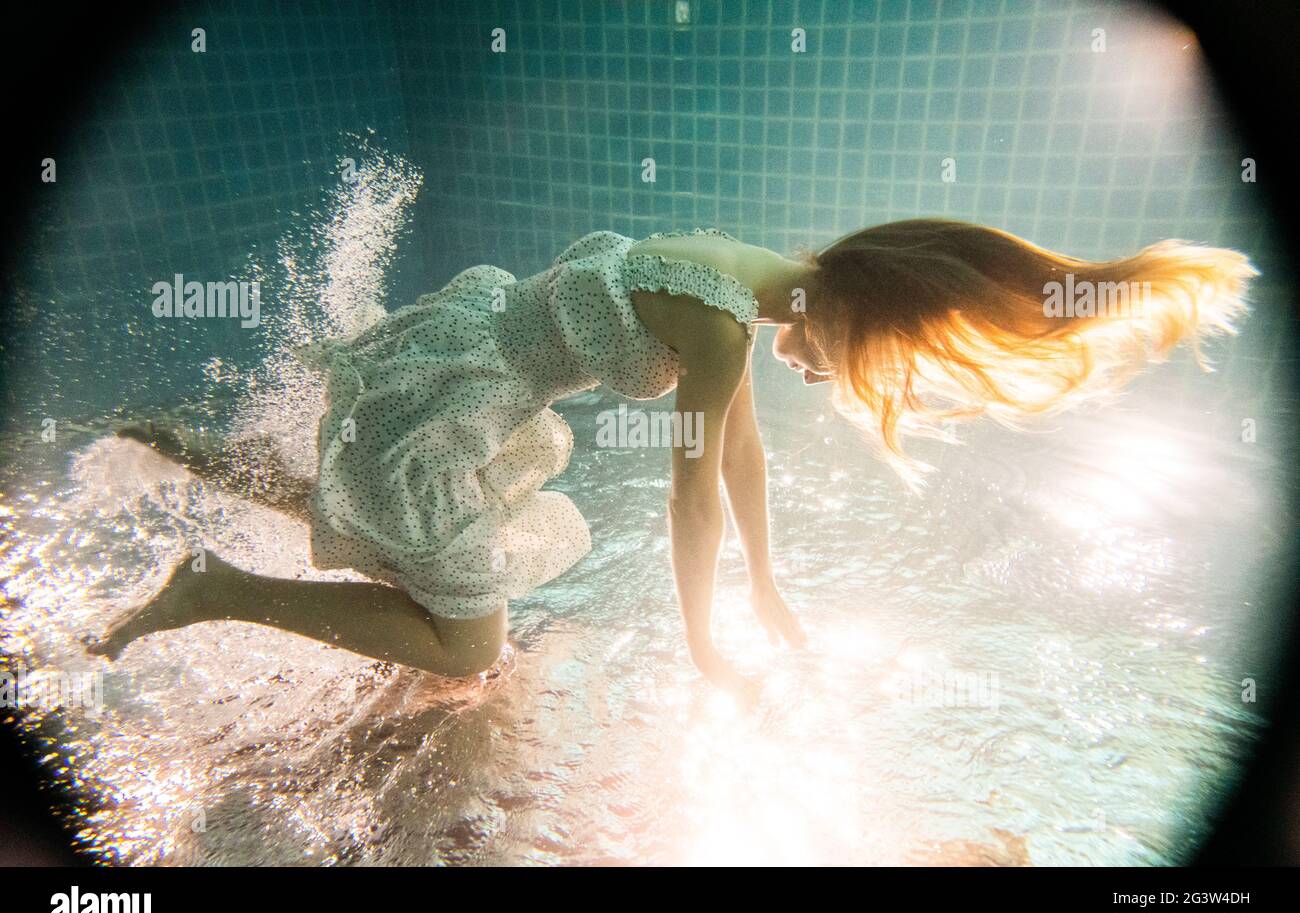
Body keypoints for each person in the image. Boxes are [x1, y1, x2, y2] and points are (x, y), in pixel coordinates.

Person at [91, 221, 1255, 700]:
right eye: (858, 363)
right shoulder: (715, 322)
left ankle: (177, 447)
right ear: (856, 313)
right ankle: (216, 591)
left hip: (461, 378)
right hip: (465, 395)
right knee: (469, 643)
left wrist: (765, 582)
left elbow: (736, 459)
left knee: (365, 497)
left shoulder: (740, 281)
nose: (831, 379)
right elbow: (691, 490)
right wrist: (704, 641)